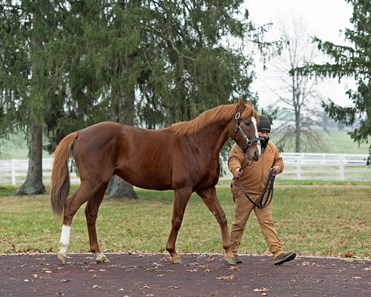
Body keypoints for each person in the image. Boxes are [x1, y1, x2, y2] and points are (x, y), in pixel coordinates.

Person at [228, 115, 296, 265]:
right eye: (261, 132)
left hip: (263, 194)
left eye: (266, 132)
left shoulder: (272, 148)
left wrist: (278, 167)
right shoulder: (242, 145)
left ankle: (278, 253)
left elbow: (279, 160)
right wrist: (236, 169)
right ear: (254, 131)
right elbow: (233, 159)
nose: (264, 135)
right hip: (244, 191)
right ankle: (231, 252)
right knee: (239, 223)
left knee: (267, 223)